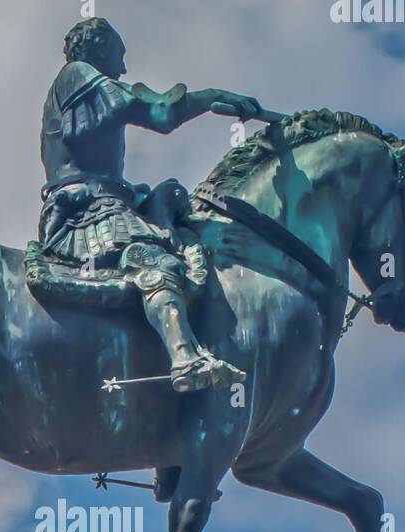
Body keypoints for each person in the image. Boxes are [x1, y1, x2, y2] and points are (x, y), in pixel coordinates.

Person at [38, 18, 263, 392]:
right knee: (151, 260)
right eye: (119, 55)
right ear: (98, 49)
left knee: (174, 198)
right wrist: (209, 98)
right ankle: (184, 359)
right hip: (85, 210)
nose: (124, 68)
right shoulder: (77, 75)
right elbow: (159, 114)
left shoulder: (85, 85)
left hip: (108, 199)